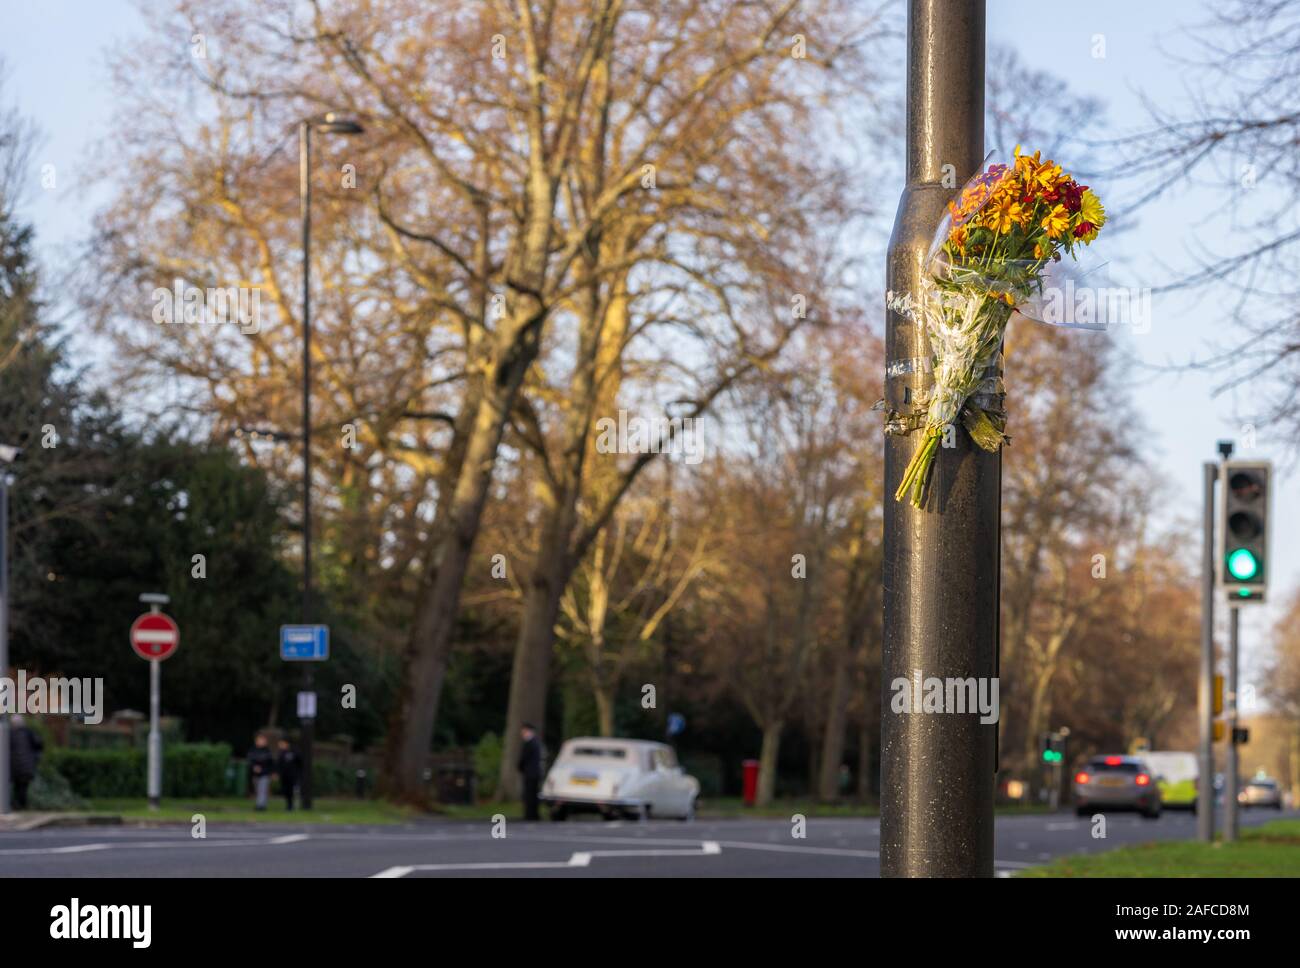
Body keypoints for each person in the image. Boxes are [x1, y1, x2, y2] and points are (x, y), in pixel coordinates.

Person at [8, 715, 43, 810]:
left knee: (17, 787)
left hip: (14, 767)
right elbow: (39, 744)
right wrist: (36, 758)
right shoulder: (29, 733)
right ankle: (20, 805)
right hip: (27, 766)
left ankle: (17, 805)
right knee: (22, 788)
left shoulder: (10, 734)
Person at [517, 723, 543, 821]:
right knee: (533, 795)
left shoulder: (530, 743)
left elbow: (524, 758)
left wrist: (520, 767)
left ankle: (530, 815)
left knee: (529, 795)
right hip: (535, 772)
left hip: (530, 773)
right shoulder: (536, 742)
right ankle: (534, 814)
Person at [248, 734, 274, 811]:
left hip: (265, 774)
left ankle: (261, 806)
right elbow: (250, 761)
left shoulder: (267, 751)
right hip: (255, 774)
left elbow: (270, 763)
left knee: (262, 789)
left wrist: (270, 772)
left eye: (263, 740)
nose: (261, 742)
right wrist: (254, 767)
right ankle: (260, 804)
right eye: (259, 740)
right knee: (258, 790)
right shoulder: (253, 750)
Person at [276, 738, 301, 811]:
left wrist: (298, 772)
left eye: (282, 743)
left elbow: (300, 762)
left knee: (292, 791)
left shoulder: (294, 751)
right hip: (284, 776)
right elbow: (279, 764)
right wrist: (278, 773)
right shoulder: (281, 753)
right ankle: (288, 805)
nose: (280, 745)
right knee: (286, 791)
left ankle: (293, 805)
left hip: (293, 775)